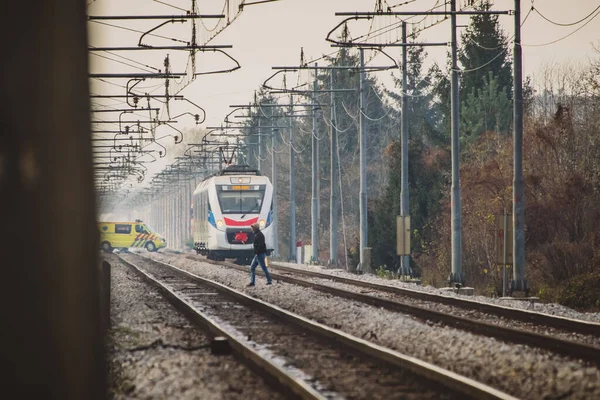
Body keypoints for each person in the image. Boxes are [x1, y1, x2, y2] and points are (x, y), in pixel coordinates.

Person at [247, 223, 272, 287]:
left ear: (255, 228)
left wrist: (257, 252)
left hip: (260, 255)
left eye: (252, 228)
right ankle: (252, 282)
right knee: (252, 267)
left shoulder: (259, 235)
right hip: (258, 255)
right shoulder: (257, 234)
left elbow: (260, 245)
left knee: (264, 268)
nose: (251, 229)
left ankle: (269, 281)